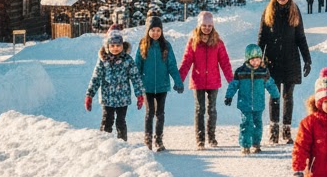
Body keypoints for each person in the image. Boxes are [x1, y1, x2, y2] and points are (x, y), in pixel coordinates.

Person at [257, 0, 312, 144]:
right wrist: (258, 59)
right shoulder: (268, 12)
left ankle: (286, 131)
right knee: (274, 96)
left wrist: (307, 59)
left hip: (291, 60)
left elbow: (300, 37)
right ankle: (274, 131)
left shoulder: (294, 11)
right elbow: (262, 38)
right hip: (272, 61)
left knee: (288, 97)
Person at [179, 10, 233, 148]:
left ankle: (212, 137)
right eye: (204, 25)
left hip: (213, 80)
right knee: (199, 109)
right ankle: (200, 138)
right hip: (198, 80)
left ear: (213, 26)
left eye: (209, 26)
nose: (206, 28)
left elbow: (225, 62)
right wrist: (180, 78)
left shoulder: (218, 43)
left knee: (212, 109)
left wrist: (231, 81)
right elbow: (186, 61)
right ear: (199, 26)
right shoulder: (193, 42)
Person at [135, 14, 185, 151]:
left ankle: (158, 139)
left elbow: (172, 65)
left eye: (158, 30)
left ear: (161, 31)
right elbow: (137, 66)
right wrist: (137, 85)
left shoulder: (166, 46)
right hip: (147, 86)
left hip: (162, 85)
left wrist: (178, 81)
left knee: (160, 113)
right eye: (153, 30)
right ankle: (148, 139)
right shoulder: (143, 45)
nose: (155, 33)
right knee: (149, 112)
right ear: (148, 31)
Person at [85, 26, 144, 141]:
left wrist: (139, 94)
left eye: (118, 45)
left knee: (121, 122)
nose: (115, 48)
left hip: (123, 98)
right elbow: (96, 78)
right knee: (107, 120)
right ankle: (104, 143)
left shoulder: (127, 60)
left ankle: (122, 144)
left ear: (122, 45)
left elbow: (135, 78)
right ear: (107, 46)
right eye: (112, 46)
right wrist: (89, 95)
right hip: (107, 98)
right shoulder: (103, 60)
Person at [224, 43, 280, 154]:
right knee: (246, 123)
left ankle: (256, 144)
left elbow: (270, 84)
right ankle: (245, 145)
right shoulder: (241, 71)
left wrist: (275, 96)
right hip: (245, 103)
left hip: (258, 104)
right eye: (253, 60)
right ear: (248, 59)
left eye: (258, 60)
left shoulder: (263, 72)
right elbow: (233, 85)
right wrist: (229, 96)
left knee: (257, 124)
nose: (256, 62)